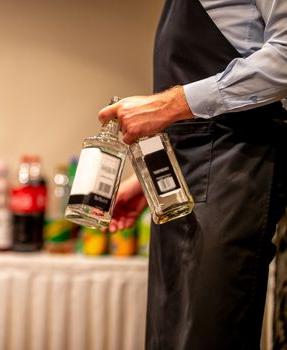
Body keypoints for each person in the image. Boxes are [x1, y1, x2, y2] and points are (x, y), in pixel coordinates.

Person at [98, 0, 287, 349]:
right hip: (183, 178)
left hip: (237, 166)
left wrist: (168, 105)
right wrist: (150, 178)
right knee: (169, 335)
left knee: (206, 335)